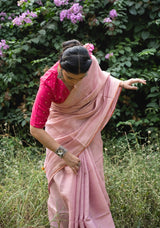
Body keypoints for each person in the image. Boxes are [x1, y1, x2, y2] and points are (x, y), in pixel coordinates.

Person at [30, 39, 146, 228]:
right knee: (63, 191)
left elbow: (101, 79)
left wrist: (121, 84)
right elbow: (35, 128)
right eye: (69, 79)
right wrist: (64, 154)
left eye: (80, 79)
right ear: (60, 65)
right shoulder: (49, 82)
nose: (75, 84)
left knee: (92, 184)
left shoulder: (87, 63)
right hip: (59, 138)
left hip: (86, 134)